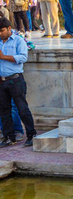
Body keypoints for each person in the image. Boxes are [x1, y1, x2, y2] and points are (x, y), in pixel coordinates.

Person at [0, 17, 37, 148]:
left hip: (15, 80)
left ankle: (31, 134)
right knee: (4, 111)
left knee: (22, 109)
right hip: (2, 81)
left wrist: (3, 56)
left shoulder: (18, 41)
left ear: (9, 28)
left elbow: (23, 57)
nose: (0, 33)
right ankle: (9, 136)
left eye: (2, 30)